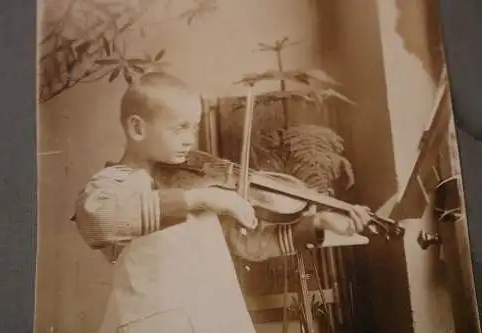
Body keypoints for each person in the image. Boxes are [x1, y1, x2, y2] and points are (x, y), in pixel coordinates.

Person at [73, 72, 372, 333]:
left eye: (194, 127)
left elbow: (248, 244)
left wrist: (316, 224)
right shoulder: (114, 182)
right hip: (157, 322)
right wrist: (199, 198)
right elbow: (98, 221)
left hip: (214, 318)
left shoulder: (200, 180)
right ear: (137, 128)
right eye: (179, 128)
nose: (190, 139)